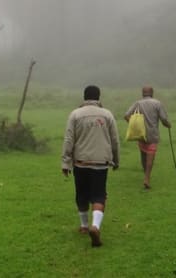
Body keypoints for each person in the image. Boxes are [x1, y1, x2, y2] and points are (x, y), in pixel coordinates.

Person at [61, 85, 120, 247]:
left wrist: (65, 162)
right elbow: (114, 140)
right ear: (98, 97)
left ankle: (84, 226)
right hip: (100, 163)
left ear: (84, 97)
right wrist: (116, 159)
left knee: (81, 193)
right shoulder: (107, 114)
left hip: (80, 162)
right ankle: (96, 226)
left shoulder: (75, 114)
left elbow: (68, 139)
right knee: (99, 195)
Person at [124, 85, 171, 189]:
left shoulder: (138, 103)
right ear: (152, 93)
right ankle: (147, 178)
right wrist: (168, 125)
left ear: (142, 93)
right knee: (150, 157)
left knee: (143, 155)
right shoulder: (157, 103)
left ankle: (146, 174)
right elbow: (163, 119)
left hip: (140, 134)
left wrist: (133, 126)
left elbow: (126, 115)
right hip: (153, 135)